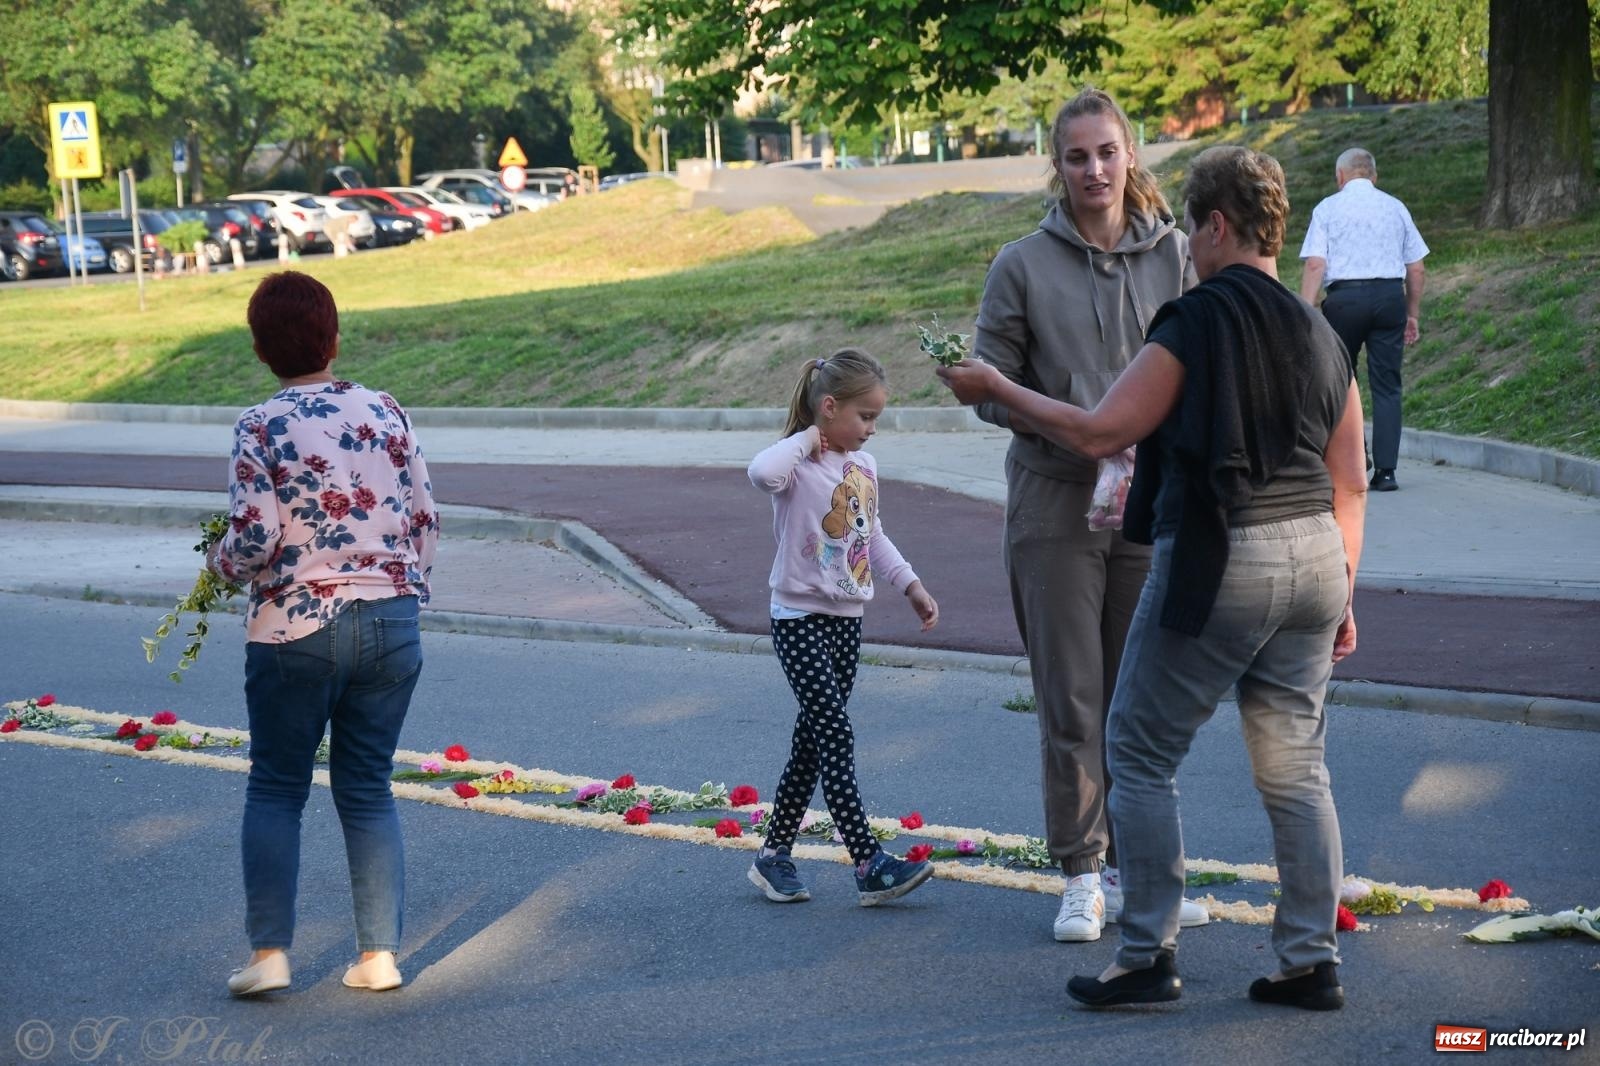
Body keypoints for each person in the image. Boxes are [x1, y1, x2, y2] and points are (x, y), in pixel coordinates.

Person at [939, 144, 1368, 1011]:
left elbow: (1102, 431)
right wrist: (1346, 589)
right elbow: (1351, 476)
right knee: (1295, 767)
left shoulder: (1194, 319)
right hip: (1319, 553)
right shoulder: (1318, 330)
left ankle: (1145, 953)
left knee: (1135, 747)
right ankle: (1308, 958)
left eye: (1191, 228)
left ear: (1215, 227)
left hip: (1224, 553)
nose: (1185, 245)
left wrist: (997, 386)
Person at [968, 86, 1206, 943]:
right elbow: (987, 388)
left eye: (1107, 152)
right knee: (1072, 697)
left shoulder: (1175, 255)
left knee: (1141, 700)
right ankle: (1080, 872)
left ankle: (1145, 875)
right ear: (1058, 167)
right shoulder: (1020, 264)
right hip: (1057, 505)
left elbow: (1206, 360)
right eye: (1077, 157)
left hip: (1149, 507)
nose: (1095, 170)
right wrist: (1074, 422)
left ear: (1130, 153)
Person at [211, 271, 440, 997]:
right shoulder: (386, 410)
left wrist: (219, 567)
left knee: (278, 787)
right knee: (368, 787)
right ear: (333, 336)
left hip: (295, 628)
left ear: (259, 348)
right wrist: (404, 590)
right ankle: (379, 958)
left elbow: (255, 539)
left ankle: (271, 954)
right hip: (391, 617)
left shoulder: (261, 424)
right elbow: (424, 517)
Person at [746, 349, 941, 907]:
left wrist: (911, 584)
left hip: (846, 620)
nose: (872, 429)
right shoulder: (797, 463)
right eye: (865, 416)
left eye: (876, 417)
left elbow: (871, 536)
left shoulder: (864, 468)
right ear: (829, 408)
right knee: (834, 731)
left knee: (812, 740)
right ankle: (868, 861)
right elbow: (761, 473)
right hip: (798, 618)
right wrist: (810, 437)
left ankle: (772, 857)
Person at [1299, 147, 1428, 492]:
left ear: (1340, 177)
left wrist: (1306, 312)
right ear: (1374, 176)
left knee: (1343, 381)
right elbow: (1416, 267)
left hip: (1344, 301)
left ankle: (1356, 458)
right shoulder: (1395, 207)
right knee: (1388, 386)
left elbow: (1315, 264)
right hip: (1389, 299)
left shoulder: (1327, 208)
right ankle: (1386, 472)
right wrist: (1411, 313)